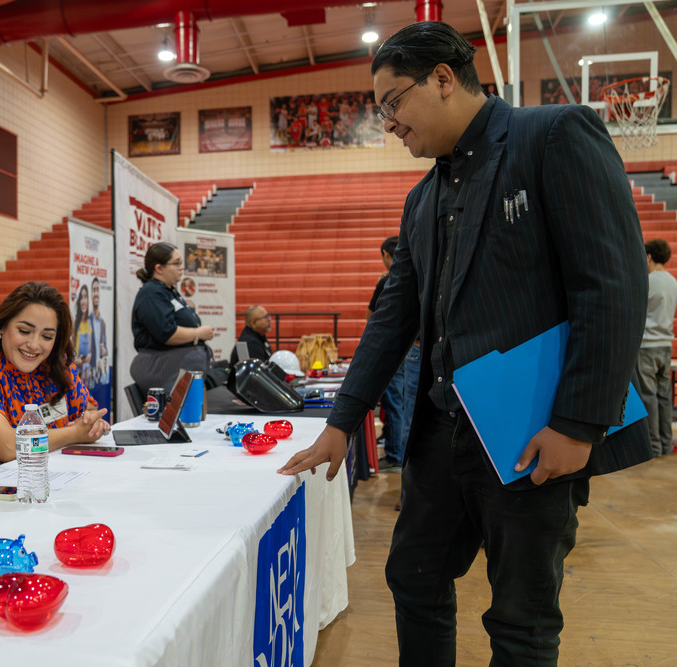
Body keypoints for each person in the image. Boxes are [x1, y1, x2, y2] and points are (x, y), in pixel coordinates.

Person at [278, 22, 651, 665]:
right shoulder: (422, 198)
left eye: (393, 101)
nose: (388, 123)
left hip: (528, 434)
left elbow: (611, 285)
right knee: (411, 577)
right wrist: (342, 420)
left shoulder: (553, 135)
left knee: (521, 616)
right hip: (440, 435)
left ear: (444, 79)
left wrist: (579, 421)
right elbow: (392, 319)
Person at [0, 281, 110, 478]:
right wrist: (74, 434)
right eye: (24, 331)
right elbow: (7, 446)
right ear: (3, 326)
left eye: (47, 336)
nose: (34, 345)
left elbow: (89, 413)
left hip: (54, 486)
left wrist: (93, 424)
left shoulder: (58, 368)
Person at [129, 242, 215, 396]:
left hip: (179, 367)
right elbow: (167, 333)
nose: (182, 268)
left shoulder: (168, 290)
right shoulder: (151, 293)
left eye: (181, 262)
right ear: (159, 268)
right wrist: (197, 333)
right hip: (163, 369)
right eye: (176, 263)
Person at [367, 236, 406, 472]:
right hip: (414, 347)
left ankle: (395, 454)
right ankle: (397, 449)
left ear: (387, 255)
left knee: (394, 403)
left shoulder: (388, 281)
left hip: (393, 347)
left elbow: (372, 316)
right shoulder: (418, 274)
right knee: (401, 402)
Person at [636, 239, 677, 457]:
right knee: (664, 396)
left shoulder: (648, 281)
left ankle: (653, 446)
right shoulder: (673, 282)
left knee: (648, 396)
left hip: (647, 346)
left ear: (649, 256)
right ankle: (666, 443)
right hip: (665, 345)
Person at [73, 283, 94, 386]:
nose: (83, 301)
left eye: (85, 297)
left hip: (88, 374)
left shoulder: (91, 323)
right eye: (81, 298)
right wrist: (75, 360)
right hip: (76, 372)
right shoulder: (75, 324)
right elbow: (68, 350)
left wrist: (90, 355)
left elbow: (93, 349)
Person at [90, 277, 108, 385]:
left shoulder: (103, 323)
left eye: (98, 290)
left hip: (100, 375)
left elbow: (106, 351)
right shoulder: (87, 321)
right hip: (89, 377)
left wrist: (104, 351)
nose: (96, 293)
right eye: (94, 290)